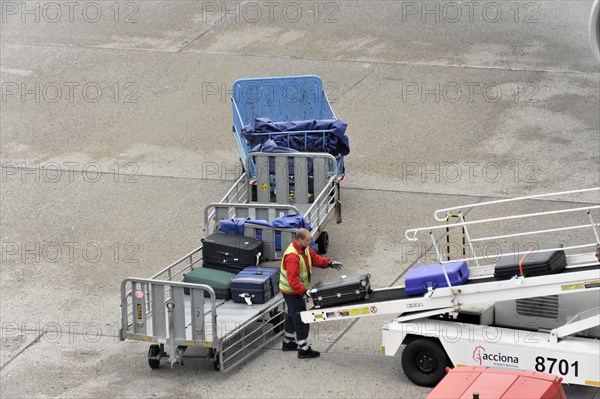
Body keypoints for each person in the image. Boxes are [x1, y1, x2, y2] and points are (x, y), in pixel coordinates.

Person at [279, 228, 343, 359]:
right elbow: (292, 281)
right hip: (292, 292)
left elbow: (315, 259)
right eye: (308, 239)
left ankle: (288, 342)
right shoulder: (293, 256)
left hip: (293, 290)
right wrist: (304, 291)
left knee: (291, 314)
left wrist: (329, 263)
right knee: (301, 318)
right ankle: (303, 349)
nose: (311, 241)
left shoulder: (304, 249)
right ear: (299, 240)